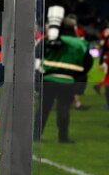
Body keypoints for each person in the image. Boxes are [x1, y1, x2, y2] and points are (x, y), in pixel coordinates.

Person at [36, 13, 88, 143]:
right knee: (64, 108)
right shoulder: (80, 43)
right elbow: (86, 63)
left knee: (43, 108)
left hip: (49, 78)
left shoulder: (49, 40)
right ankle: (63, 137)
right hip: (67, 80)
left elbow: (37, 57)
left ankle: (36, 135)